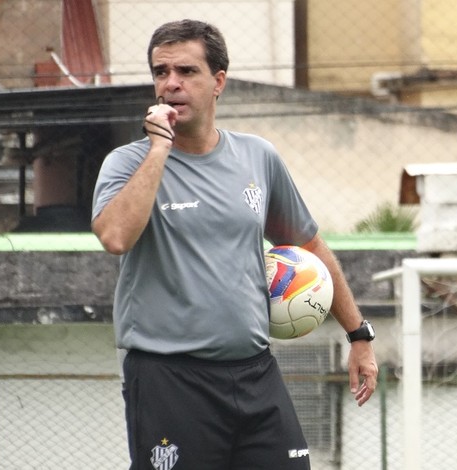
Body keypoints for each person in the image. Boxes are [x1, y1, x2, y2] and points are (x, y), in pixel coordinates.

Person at [91, 19, 378, 470]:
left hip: (255, 371)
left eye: (187, 71)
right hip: (170, 379)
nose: (171, 84)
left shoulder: (257, 156)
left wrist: (358, 335)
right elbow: (115, 236)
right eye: (161, 72)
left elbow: (309, 244)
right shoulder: (127, 163)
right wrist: (159, 149)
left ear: (218, 82)